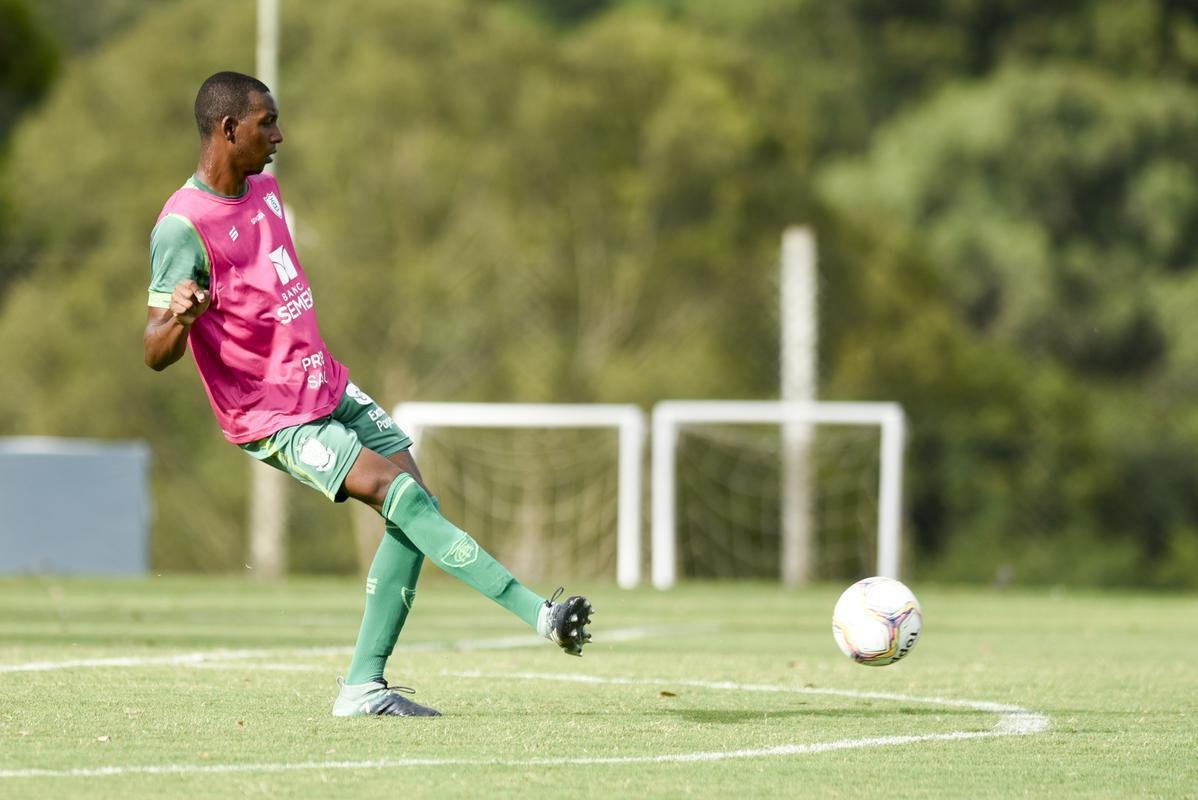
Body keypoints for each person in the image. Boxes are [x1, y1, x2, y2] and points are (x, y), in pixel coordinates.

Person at [143, 71, 593, 718]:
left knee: (418, 512)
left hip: (327, 383)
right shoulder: (181, 228)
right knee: (399, 496)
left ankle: (362, 687)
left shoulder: (265, 190)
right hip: (275, 415)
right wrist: (180, 318)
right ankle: (541, 615)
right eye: (266, 122)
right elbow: (154, 349)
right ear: (228, 129)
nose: (278, 134)